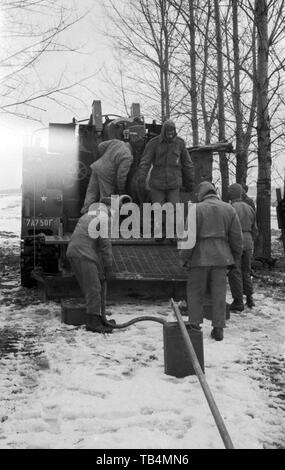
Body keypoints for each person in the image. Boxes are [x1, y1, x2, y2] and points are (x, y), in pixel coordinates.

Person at [179, 181, 243, 341]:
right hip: (221, 258)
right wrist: (234, 259)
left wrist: (183, 258)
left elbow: (189, 238)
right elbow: (237, 239)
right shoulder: (229, 209)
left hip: (199, 258)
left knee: (195, 292)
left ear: (201, 193)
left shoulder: (196, 209)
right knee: (219, 294)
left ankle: (194, 324)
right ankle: (218, 328)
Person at [137, 119, 195, 238]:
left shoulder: (180, 143)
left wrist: (190, 180)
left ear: (175, 131)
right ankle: (159, 233)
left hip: (174, 182)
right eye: (168, 132)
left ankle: (174, 234)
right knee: (158, 208)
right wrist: (141, 178)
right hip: (157, 183)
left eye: (172, 132)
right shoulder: (153, 143)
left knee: (174, 208)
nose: (170, 135)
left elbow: (187, 163)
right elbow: (145, 161)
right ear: (163, 131)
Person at [66, 202, 114, 333]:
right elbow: (105, 245)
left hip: (76, 252)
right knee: (94, 289)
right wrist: (109, 267)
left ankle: (98, 318)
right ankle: (93, 323)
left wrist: (100, 269)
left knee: (92, 287)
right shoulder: (102, 219)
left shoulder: (86, 217)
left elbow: (93, 243)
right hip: (83, 254)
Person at [81, 139, 133, 214]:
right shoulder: (128, 155)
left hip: (97, 166)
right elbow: (121, 175)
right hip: (107, 176)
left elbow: (100, 146)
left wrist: (104, 156)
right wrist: (121, 189)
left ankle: (85, 211)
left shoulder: (117, 142)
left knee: (91, 192)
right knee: (105, 199)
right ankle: (103, 218)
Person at [228, 183, 258, 311]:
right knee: (246, 270)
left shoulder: (231, 208)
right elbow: (255, 229)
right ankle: (250, 299)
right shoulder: (249, 207)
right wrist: (251, 241)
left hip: (236, 240)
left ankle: (238, 301)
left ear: (232, 194)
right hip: (248, 240)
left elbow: (228, 228)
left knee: (235, 271)